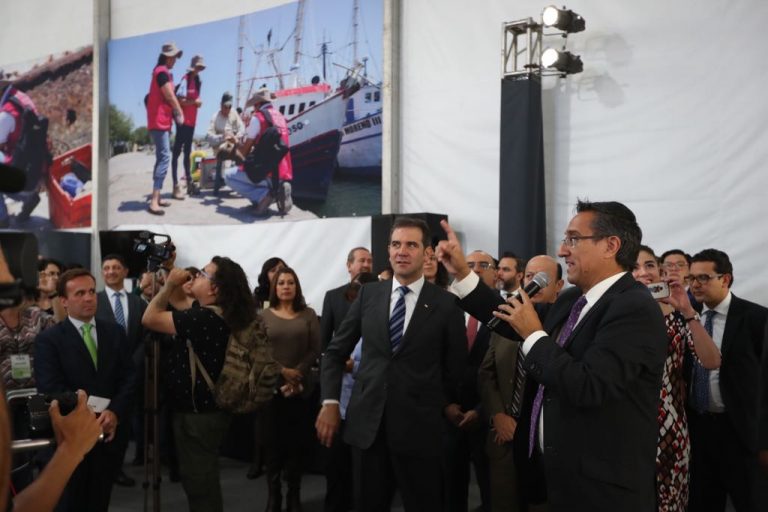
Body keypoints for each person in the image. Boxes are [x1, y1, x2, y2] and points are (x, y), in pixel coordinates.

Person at [438, 200, 668, 512]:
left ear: (611, 246)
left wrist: (534, 334)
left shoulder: (634, 308)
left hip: (602, 489)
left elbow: (589, 386)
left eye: (573, 239)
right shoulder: (573, 299)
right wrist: (462, 273)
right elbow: (509, 318)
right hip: (557, 478)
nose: (562, 250)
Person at [316, 217, 466, 512]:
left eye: (411, 245)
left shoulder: (447, 304)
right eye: (396, 244)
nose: (402, 251)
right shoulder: (368, 295)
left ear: (427, 253)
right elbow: (334, 353)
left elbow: (455, 368)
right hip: (368, 430)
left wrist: (441, 403)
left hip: (420, 432)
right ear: (388, 250)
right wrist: (330, 401)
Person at [142, 256, 255, 512]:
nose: (196, 276)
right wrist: (169, 269)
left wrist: (169, 285)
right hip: (211, 410)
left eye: (203, 274)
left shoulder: (203, 319)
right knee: (202, 476)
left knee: (200, 483)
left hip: (198, 417)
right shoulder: (219, 314)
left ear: (215, 288)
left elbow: (150, 318)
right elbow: (181, 303)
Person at [33, 268, 136, 512]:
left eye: (91, 291)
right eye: (80, 293)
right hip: (71, 438)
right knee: (71, 503)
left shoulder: (114, 332)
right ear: (64, 301)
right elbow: (50, 387)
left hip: (109, 435)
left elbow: (129, 378)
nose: (89, 298)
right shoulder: (49, 340)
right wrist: (90, 415)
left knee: (100, 501)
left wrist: (114, 412)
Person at [632, 245, 721, 512]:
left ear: (661, 272)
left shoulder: (679, 314)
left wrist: (687, 311)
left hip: (670, 425)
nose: (643, 272)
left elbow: (712, 361)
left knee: (670, 501)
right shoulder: (616, 313)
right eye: (634, 267)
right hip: (628, 423)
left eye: (649, 265)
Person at [685, 249, 768, 512]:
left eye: (703, 278)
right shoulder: (686, 317)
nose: (695, 285)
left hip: (741, 432)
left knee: (750, 502)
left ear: (726, 279)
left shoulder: (757, 318)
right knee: (702, 503)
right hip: (698, 430)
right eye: (691, 278)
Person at [478, 253, 561, 512]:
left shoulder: (565, 326)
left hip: (545, 443)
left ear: (559, 286)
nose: (534, 283)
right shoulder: (507, 319)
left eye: (543, 278)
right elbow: (486, 372)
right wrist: (498, 415)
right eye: (530, 277)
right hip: (504, 437)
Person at [260, 267, 320, 512]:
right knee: (273, 446)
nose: (286, 287)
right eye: (281, 283)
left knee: (297, 445)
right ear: (274, 288)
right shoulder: (263, 316)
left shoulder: (308, 314)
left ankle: (294, 494)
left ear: (297, 287)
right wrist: (282, 371)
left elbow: (315, 348)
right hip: (271, 389)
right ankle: (273, 495)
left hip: (300, 388)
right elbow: (258, 350)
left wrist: (297, 373)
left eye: (291, 282)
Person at [444, 250, 493, 512]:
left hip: (489, 416)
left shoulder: (508, 313)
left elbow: (508, 371)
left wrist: (481, 410)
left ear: (496, 273)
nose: (476, 269)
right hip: (449, 413)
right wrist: (446, 404)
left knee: (491, 489)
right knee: (451, 488)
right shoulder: (447, 310)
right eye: (470, 264)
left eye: (484, 264)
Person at [95, 253, 147, 487]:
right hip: (102, 373)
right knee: (99, 420)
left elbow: (144, 336)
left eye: (116, 267)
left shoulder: (138, 303)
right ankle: (100, 467)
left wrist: (133, 363)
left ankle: (117, 469)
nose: (111, 272)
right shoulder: (94, 300)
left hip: (130, 374)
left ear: (125, 272)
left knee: (123, 422)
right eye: (106, 268)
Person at [229, 87, 293, 215]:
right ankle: (278, 188)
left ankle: (263, 196)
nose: (254, 108)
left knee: (229, 176)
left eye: (254, 105)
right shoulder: (281, 116)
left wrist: (234, 145)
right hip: (284, 173)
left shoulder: (257, 118)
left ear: (257, 104)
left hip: (268, 174)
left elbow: (244, 151)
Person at [0, 75, 46, 227]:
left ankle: (2, 219)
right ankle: (29, 197)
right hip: (34, 167)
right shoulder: (20, 97)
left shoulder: (6, 114)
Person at [146, 42, 184, 216]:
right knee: (165, 158)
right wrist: (179, 111)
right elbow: (169, 95)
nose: (175, 60)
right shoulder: (161, 72)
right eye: (174, 57)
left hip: (160, 121)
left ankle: (158, 196)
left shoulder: (161, 71)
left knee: (160, 157)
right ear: (168, 57)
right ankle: (154, 201)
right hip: (159, 121)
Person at [320, 247, 372, 351]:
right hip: (343, 358)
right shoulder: (333, 297)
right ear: (349, 266)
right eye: (362, 260)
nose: (366, 265)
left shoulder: (382, 293)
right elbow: (324, 339)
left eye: (370, 261)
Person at [170, 55, 205, 199]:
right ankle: (175, 184)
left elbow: (193, 100)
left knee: (187, 153)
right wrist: (195, 102)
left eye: (201, 67)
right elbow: (179, 100)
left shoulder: (198, 81)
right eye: (198, 66)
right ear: (193, 67)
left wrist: (196, 102)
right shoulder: (185, 79)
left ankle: (189, 183)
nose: (199, 69)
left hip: (191, 123)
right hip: (182, 122)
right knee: (177, 153)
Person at [206, 92, 246, 196]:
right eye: (225, 107)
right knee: (233, 152)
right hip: (221, 147)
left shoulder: (233, 113)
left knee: (246, 152)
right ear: (221, 105)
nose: (227, 109)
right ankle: (230, 180)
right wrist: (222, 137)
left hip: (233, 143)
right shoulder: (215, 117)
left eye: (229, 107)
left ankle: (241, 182)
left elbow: (242, 127)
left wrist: (236, 136)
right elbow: (209, 136)